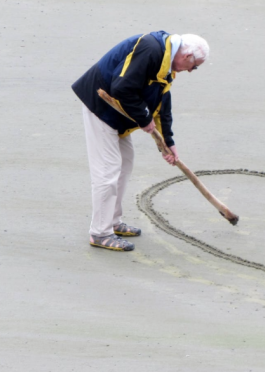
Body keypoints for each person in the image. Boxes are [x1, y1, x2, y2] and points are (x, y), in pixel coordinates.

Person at [71, 31, 209, 251]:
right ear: (187, 56)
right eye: (194, 66)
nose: (191, 71)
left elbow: (162, 102)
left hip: (118, 114)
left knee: (125, 163)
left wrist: (167, 143)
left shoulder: (166, 63)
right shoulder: (151, 50)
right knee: (108, 171)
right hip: (100, 107)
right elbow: (120, 88)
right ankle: (100, 232)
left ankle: (113, 222)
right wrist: (144, 120)